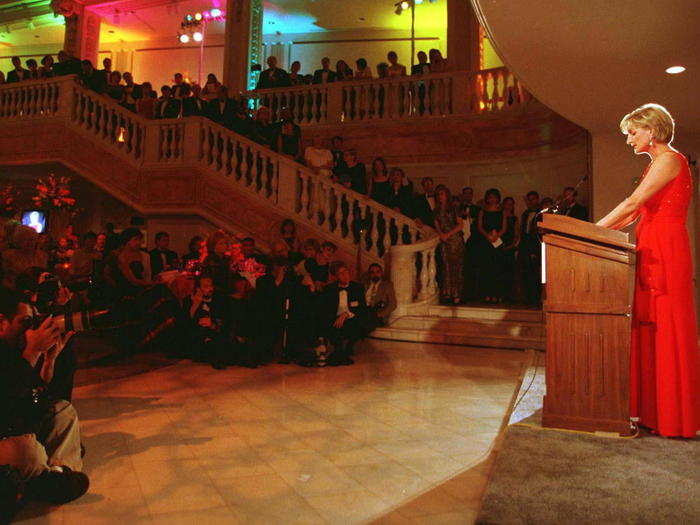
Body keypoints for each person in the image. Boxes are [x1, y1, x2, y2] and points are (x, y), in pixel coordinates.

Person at [596, 103, 698, 438]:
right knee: (651, 325)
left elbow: (632, 203)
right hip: (653, 245)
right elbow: (633, 214)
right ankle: (656, 413)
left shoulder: (670, 159)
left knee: (665, 324)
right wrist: (593, 232)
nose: (628, 139)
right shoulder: (658, 163)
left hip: (666, 250)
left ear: (651, 131)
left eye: (632, 132)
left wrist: (593, 229)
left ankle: (675, 416)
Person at [0, 287, 89, 505]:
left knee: (62, 410)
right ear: (2, 322)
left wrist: (49, 363)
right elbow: (6, 404)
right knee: (27, 450)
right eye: (25, 322)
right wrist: (33, 353)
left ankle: (55, 473)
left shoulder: (14, 350)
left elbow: (35, 401)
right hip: (7, 437)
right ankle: (47, 477)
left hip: (16, 428)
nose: (31, 330)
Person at [317, 261, 368, 366]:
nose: (345, 275)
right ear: (336, 277)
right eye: (341, 273)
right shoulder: (329, 289)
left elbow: (362, 308)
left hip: (351, 317)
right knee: (328, 323)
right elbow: (325, 310)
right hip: (334, 318)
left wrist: (346, 314)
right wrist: (336, 317)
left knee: (361, 321)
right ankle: (337, 349)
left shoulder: (358, 288)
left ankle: (348, 347)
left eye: (346, 271)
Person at [182, 275, 229, 368]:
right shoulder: (188, 301)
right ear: (198, 289)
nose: (210, 289)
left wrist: (213, 325)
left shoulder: (220, 299)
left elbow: (226, 321)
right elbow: (186, 324)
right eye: (206, 286)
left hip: (216, 333)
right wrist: (196, 304)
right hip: (198, 337)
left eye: (211, 286)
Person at [434, 185, 465, 304]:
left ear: (447, 195)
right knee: (446, 267)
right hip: (444, 241)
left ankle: (457, 294)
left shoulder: (454, 208)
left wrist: (448, 234)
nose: (440, 197)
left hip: (455, 239)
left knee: (456, 266)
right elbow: (436, 224)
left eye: (442, 194)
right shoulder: (436, 210)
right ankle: (447, 293)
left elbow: (460, 225)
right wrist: (442, 234)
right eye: (438, 194)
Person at [475, 188, 507, 303]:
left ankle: (497, 294)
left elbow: (504, 227)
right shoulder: (482, 211)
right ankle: (487, 294)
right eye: (490, 196)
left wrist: (497, 236)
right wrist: (487, 236)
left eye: (494, 196)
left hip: (497, 242)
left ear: (498, 198)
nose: (492, 199)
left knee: (497, 268)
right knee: (486, 268)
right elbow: (479, 226)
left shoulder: (502, 211)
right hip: (486, 241)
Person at [518, 190, 542, 305]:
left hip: (535, 246)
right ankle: (527, 298)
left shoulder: (541, 213)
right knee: (525, 273)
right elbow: (523, 231)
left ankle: (535, 299)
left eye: (533, 199)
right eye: (529, 199)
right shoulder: (525, 213)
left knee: (534, 274)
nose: (531, 202)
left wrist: (534, 250)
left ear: (537, 199)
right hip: (525, 246)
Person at [363, 263, 397, 328]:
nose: (375, 274)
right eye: (372, 272)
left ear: (381, 273)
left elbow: (393, 304)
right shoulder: (365, 285)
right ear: (369, 274)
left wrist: (380, 314)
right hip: (365, 312)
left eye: (378, 272)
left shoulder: (387, 285)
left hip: (377, 314)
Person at [500, 197, 520, 302]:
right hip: (498, 245)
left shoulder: (514, 218)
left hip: (510, 247)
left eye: (511, 204)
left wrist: (512, 245)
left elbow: (517, 234)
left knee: (509, 272)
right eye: (507, 204)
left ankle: (509, 295)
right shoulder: (499, 216)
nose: (509, 206)